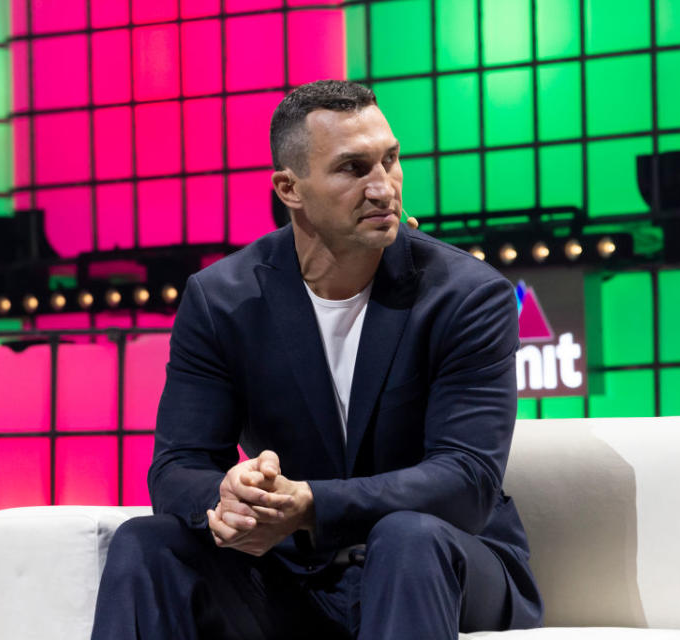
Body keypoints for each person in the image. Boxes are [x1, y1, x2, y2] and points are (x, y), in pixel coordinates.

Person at [90, 79, 543, 640]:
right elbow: (178, 465)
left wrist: (311, 505)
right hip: (290, 571)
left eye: (391, 160)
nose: (384, 188)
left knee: (407, 536)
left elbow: (466, 482)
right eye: (354, 169)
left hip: (440, 562)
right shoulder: (223, 300)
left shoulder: (467, 295)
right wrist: (230, 502)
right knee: (146, 543)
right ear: (290, 189)